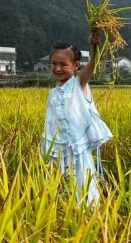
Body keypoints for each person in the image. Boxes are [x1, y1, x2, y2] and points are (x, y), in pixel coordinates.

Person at [41, 32, 112, 204]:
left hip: (77, 150)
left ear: (76, 65)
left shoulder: (79, 84)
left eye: (63, 64)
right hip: (59, 150)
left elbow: (92, 66)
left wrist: (93, 48)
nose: (58, 68)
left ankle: (87, 217)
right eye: (54, 64)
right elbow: (50, 125)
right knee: (60, 188)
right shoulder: (53, 93)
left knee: (83, 186)